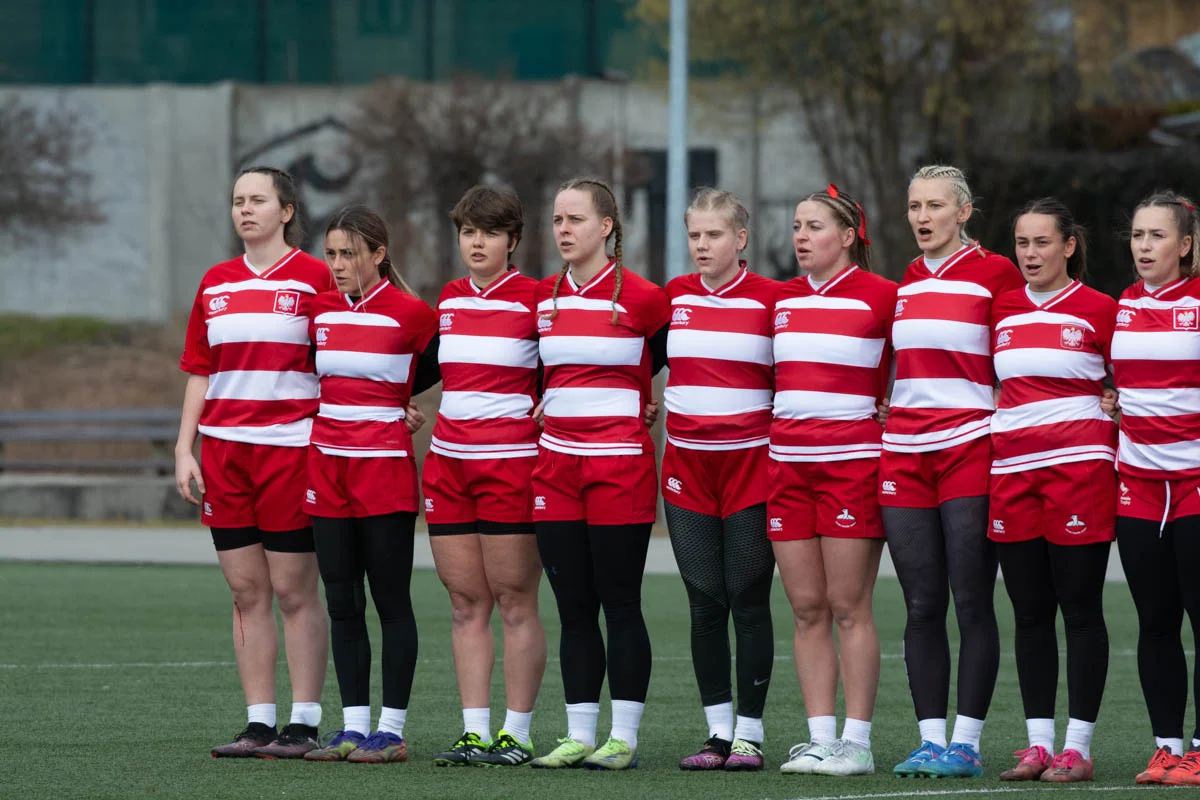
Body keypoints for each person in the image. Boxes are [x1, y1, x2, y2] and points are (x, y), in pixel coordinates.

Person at [176, 166, 331, 758]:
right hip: (224, 455)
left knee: (293, 590)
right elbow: (200, 370)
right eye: (238, 200)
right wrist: (184, 448)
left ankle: (304, 723)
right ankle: (259, 722)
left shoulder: (316, 277)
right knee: (246, 592)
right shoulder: (215, 282)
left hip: (291, 451)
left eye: (257, 200)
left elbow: (343, 357)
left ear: (286, 211)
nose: (245, 209)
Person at [883, 165, 1024, 778]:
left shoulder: (998, 273)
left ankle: (966, 744)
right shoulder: (908, 278)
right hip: (904, 452)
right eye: (915, 205)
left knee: (970, 600)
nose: (922, 217)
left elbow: (1023, 352)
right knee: (920, 605)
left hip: (969, 446)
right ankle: (929, 740)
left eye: (935, 205)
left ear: (963, 212)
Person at [527, 177, 670, 771]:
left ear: (606, 227)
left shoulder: (646, 298)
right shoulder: (543, 296)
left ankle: (623, 738)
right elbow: (534, 372)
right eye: (557, 219)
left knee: (621, 603)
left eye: (576, 219)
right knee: (573, 607)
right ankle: (578, 734)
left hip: (620, 468)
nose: (563, 230)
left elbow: (668, 358)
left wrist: (636, 398)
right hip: (555, 468)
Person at [297, 205, 438, 763]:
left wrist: (400, 403)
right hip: (326, 471)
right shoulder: (320, 310)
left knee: (390, 601)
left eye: (348, 254)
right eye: (330, 253)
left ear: (378, 254)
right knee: (341, 602)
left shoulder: (413, 314)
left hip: (383, 473)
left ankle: (392, 731)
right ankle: (353, 728)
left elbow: (440, 369)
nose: (337, 264)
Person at [989, 198, 1116, 783]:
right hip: (1012, 475)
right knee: (1029, 613)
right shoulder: (1000, 309)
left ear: (1069, 246)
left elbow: (1129, 382)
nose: (1030, 253)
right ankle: (1038, 746)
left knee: (1081, 611)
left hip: (1078, 473)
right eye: (1022, 243)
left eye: (1042, 242)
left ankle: (1077, 749)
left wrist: (1113, 400)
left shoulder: (1101, 309)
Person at [772, 186, 896, 777]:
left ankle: (857, 743)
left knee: (849, 606)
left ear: (848, 236)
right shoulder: (780, 299)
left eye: (814, 226)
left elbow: (926, 358)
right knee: (806, 608)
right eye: (797, 225)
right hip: (786, 467)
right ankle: (820, 739)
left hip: (852, 466)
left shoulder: (885, 296)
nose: (801, 236)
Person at [422, 186, 547, 768]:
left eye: (490, 233)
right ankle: (474, 732)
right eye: (468, 232)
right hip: (448, 466)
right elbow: (417, 368)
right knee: (465, 602)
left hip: (511, 466)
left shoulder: (538, 300)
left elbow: (573, 367)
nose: (477, 243)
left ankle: (515, 734)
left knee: (514, 599)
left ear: (512, 240)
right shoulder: (448, 298)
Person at [664, 188, 778, 772]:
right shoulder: (672, 297)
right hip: (687, 471)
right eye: (694, 235)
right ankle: (717, 734)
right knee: (704, 602)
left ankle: (750, 736)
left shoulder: (774, 301)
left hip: (752, 467)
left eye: (713, 234)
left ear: (741, 238)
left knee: (748, 601)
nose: (702, 245)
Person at [1108, 190, 1200, 786]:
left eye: (1157, 236)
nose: (1144, 246)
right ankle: (1166, 747)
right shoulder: (1122, 304)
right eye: (1138, 235)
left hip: (1195, 484)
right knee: (1155, 622)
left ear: (1185, 245)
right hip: (1138, 487)